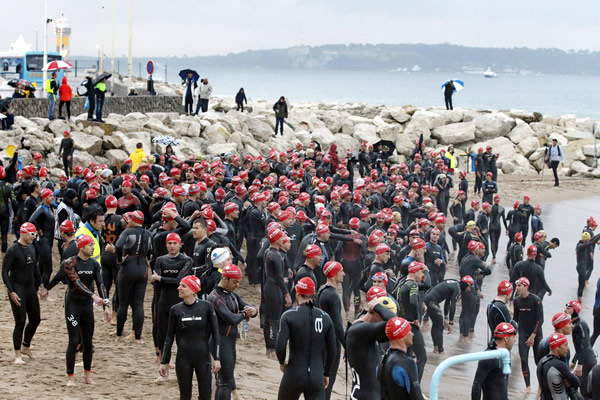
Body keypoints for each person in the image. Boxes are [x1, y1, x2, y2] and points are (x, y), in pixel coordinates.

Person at [43, 235, 111, 386]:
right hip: (72, 307)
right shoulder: (70, 263)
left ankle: (87, 376)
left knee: (88, 342)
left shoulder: (94, 264)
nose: (93, 247)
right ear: (81, 247)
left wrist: (106, 304)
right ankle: (70, 377)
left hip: (86, 307)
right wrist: (93, 296)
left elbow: (101, 284)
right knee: (74, 340)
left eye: (93, 245)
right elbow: (77, 282)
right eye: (90, 245)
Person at [159, 275, 221, 400]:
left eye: (183, 286)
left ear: (193, 290)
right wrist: (164, 362)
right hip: (183, 359)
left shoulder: (207, 307)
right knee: (185, 396)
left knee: (205, 396)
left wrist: (217, 358)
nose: (178, 288)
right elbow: (169, 338)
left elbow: (216, 334)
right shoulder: (175, 310)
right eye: (179, 285)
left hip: (203, 359)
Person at [276, 277, 336, 400]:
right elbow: (332, 350)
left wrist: (282, 362)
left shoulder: (289, 315)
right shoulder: (325, 317)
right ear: (313, 294)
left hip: (294, 373)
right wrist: (326, 373)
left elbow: (280, 345)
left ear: (297, 293)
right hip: (316, 375)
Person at [208, 264, 258, 400]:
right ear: (225, 278)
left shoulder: (232, 295)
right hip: (219, 341)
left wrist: (253, 311)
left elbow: (249, 307)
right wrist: (244, 314)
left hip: (229, 341)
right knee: (224, 382)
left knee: (227, 381)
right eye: (234, 282)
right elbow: (230, 318)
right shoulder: (215, 297)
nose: (237, 285)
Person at [2, 222, 41, 365]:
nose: (34, 237)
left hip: (30, 289)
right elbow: (4, 272)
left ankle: (26, 346)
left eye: (35, 234)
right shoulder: (13, 250)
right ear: (23, 233)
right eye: (32, 234)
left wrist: (42, 285)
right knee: (20, 322)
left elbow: (35, 269)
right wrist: (11, 291)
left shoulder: (31, 248)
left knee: (36, 319)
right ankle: (17, 355)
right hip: (18, 290)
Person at [346, 293, 397, 399]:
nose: (384, 322)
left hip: (364, 394)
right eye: (384, 318)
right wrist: (377, 306)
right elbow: (395, 323)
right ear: (377, 314)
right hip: (365, 395)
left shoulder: (367, 333)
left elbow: (398, 330)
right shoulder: (360, 331)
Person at [114, 210, 152, 342]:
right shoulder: (148, 233)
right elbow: (151, 251)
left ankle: (119, 335)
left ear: (134, 220)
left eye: (129, 219)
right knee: (139, 304)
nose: (127, 221)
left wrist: (120, 259)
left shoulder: (128, 232)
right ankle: (138, 338)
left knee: (123, 303)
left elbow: (118, 245)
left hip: (127, 267)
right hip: (142, 268)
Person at [316, 261, 345, 400]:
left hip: (320, 340)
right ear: (334, 274)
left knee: (320, 379)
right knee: (328, 379)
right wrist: (347, 346)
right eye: (341, 271)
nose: (344, 274)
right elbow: (338, 325)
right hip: (331, 343)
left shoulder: (321, 290)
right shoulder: (332, 295)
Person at [378, 317, 425, 400]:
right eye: (409, 331)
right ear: (402, 335)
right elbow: (417, 397)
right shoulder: (407, 363)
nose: (412, 334)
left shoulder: (383, 359)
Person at [424, 275, 473, 354]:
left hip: (428, 299)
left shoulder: (455, 284)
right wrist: (450, 322)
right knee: (439, 325)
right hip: (431, 301)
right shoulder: (458, 290)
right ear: (467, 285)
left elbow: (447, 301)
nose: (469, 290)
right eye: (470, 287)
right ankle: (441, 351)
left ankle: (436, 349)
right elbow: (452, 305)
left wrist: (446, 317)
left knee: (436, 324)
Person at [513, 277, 544, 394]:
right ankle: (528, 387)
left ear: (526, 286)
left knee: (538, 362)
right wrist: (513, 334)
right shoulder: (516, 301)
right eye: (516, 286)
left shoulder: (536, 300)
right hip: (523, 334)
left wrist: (533, 335)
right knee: (524, 360)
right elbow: (515, 319)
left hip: (536, 335)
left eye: (519, 286)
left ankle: (541, 385)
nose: (517, 288)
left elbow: (540, 320)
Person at [471, 322, 517, 400]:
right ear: (506, 339)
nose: (515, 340)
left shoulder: (506, 354)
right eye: (513, 337)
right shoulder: (489, 356)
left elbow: (503, 385)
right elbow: (477, 384)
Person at [565, 300, 597, 399]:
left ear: (575, 310)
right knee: (577, 387)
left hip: (588, 360)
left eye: (568, 308)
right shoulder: (575, 324)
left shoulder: (580, 324)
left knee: (584, 391)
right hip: (584, 359)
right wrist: (574, 362)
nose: (565, 310)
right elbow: (579, 348)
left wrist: (579, 365)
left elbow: (584, 345)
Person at [537, 333, 580, 399]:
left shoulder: (541, 362)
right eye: (565, 345)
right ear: (556, 347)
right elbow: (577, 383)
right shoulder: (559, 365)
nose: (568, 348)